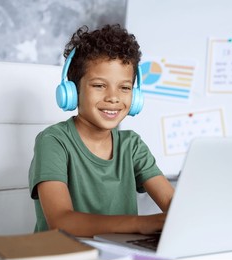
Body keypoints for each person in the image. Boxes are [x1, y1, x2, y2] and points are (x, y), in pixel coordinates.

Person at [29, 24, 174, 237]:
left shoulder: (131, 145)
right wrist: (141, 223)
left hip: (117, 258)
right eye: (99, 85)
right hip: (64, 257)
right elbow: (61, 222)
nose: (113, 97)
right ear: (72, 90)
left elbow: (173, 204)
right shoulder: (53, 141)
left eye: (124, 88)